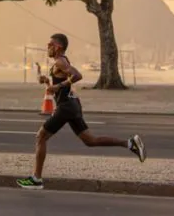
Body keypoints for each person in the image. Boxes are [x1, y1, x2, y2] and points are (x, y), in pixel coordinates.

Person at [16, 33, 146, 190]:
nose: (47, 47)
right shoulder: (59, 62)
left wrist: (58, 86)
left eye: (50, 44)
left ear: (58, 47)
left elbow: (77, 75)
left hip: (66, 107)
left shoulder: (60, 61)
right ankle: (130, 143)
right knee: (90, 141)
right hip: (72, 105)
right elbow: (60, 83)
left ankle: (36, 179)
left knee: (41, 136)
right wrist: (48, 82)